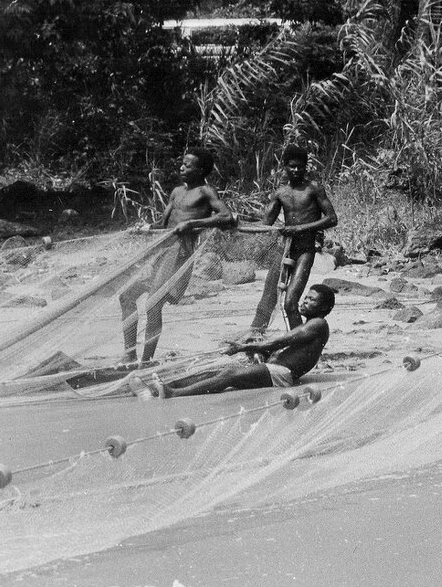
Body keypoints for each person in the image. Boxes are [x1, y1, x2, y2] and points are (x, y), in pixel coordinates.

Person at [120, 148, 234, 368]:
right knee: (126, 296)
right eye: (182, 163)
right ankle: (129, 354)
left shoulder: (205, 191)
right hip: (160, 250)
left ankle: (147, 360)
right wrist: (145, 227)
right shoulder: (175, 192)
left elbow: (226, 216)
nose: (182, 167)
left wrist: (193, 224)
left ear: (200, 170)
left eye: (188, 165)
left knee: (154, 305)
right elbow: (162, 225)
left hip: (179, 253)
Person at [137, 284, 336, 398]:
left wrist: (243, 347)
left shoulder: (318, 324)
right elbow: (290, 308)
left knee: (229, 375)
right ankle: (164, 387)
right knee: (215, 373)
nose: (305, 301)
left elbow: (277, 343)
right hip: (274, 369)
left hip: (282, 375)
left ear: (324, 308)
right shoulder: (309, 323)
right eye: (306, 297)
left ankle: (174, 394)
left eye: (311, 300)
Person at [245, 145, 338, 337]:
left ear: (306, 167)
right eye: (292, 166)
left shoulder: (313, 189)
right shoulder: (280, 193)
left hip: (305, 250)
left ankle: (301, 345)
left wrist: (299, 228)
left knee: (290, 302)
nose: (296, 170)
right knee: (268, 299)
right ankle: (254, 338)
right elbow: (266, 225)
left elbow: (331, 218)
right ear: (285, 167)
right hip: (284, 250)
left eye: (300, 166)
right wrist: (238, 224)